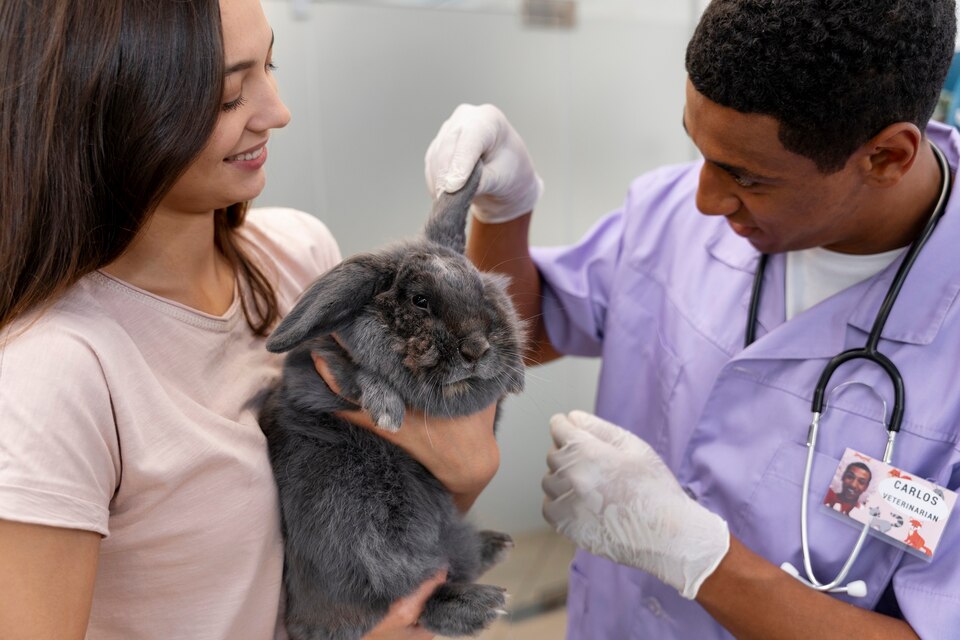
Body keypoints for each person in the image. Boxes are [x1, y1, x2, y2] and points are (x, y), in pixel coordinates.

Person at [423, 0, 960, 637]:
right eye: (698, 148)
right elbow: (527, 339)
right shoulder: (669, 211)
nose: (704, 199)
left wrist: (699, 558)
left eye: (747, 177)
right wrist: (505, 208)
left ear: (887, 157)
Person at [0, 1, 498, 638]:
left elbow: (386, 516)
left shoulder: (299, 260)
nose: (278, 111)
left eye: (271, 63)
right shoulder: (57, 372)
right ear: (107, 106)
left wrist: (466, 469)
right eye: (231, 94)